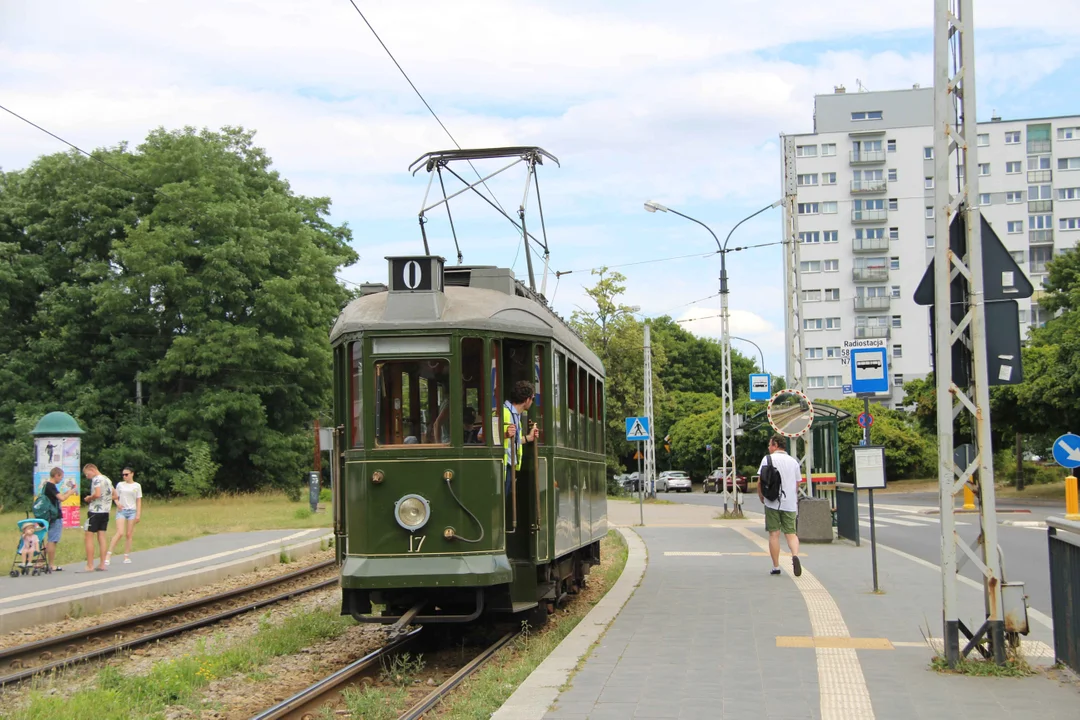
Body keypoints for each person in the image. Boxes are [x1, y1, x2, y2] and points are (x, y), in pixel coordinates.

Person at [757, 435, 803, 577]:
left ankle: (776, 566)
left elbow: (760, 481)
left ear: (776, 445)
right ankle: (795, 555)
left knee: (774, 534)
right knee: (791, 533)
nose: (769, 447)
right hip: (789, 503)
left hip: (772, 502)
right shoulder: (793, 461)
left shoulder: (767, 459)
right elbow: (798, 483)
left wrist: (761, 496)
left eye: (770, 445)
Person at [501, 381, 539, 494]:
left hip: (509, 466)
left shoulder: (516, 416)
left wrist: (529, 438)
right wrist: (505, 434)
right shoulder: (503, 412)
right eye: (532, 398)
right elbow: (481, 435)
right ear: (527, 399)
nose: (532, 402)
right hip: (501, 468)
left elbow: (513, 441)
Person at [106, 467, 142, 566]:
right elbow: (115, 496)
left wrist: (138, 514)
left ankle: (126, 556)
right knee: (120, 532)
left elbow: (138, 500)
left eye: (126, 474)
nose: (124, 476)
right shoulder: (120, 485)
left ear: (132, 474)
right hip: (121, 510)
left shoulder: (137, 486)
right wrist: (117, 503)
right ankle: (108, 554)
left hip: (132, 511)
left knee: (129, 534)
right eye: (123, 475)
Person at [43, 467, 76, 572]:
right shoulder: (51, 486)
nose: (61, 479)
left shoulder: (45, 486)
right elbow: (61, 498)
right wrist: (71, 492)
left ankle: (41, 561)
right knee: (52, 540)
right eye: (61, 477)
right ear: (56, 475)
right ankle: (51, 564)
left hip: (47, 515)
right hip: (54, 516)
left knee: (48, 540)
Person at [82, 464, 113, 572]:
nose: (87, 477)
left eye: (87, 473)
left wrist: (89, 498)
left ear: (92, 469)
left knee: (88, 536)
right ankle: (102, 564)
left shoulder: (96, 479)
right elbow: (115, 494)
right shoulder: (107, 479)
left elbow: (98, 494)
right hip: (105, 511)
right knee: (102, 536)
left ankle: (90, 565)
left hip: (95, 511)